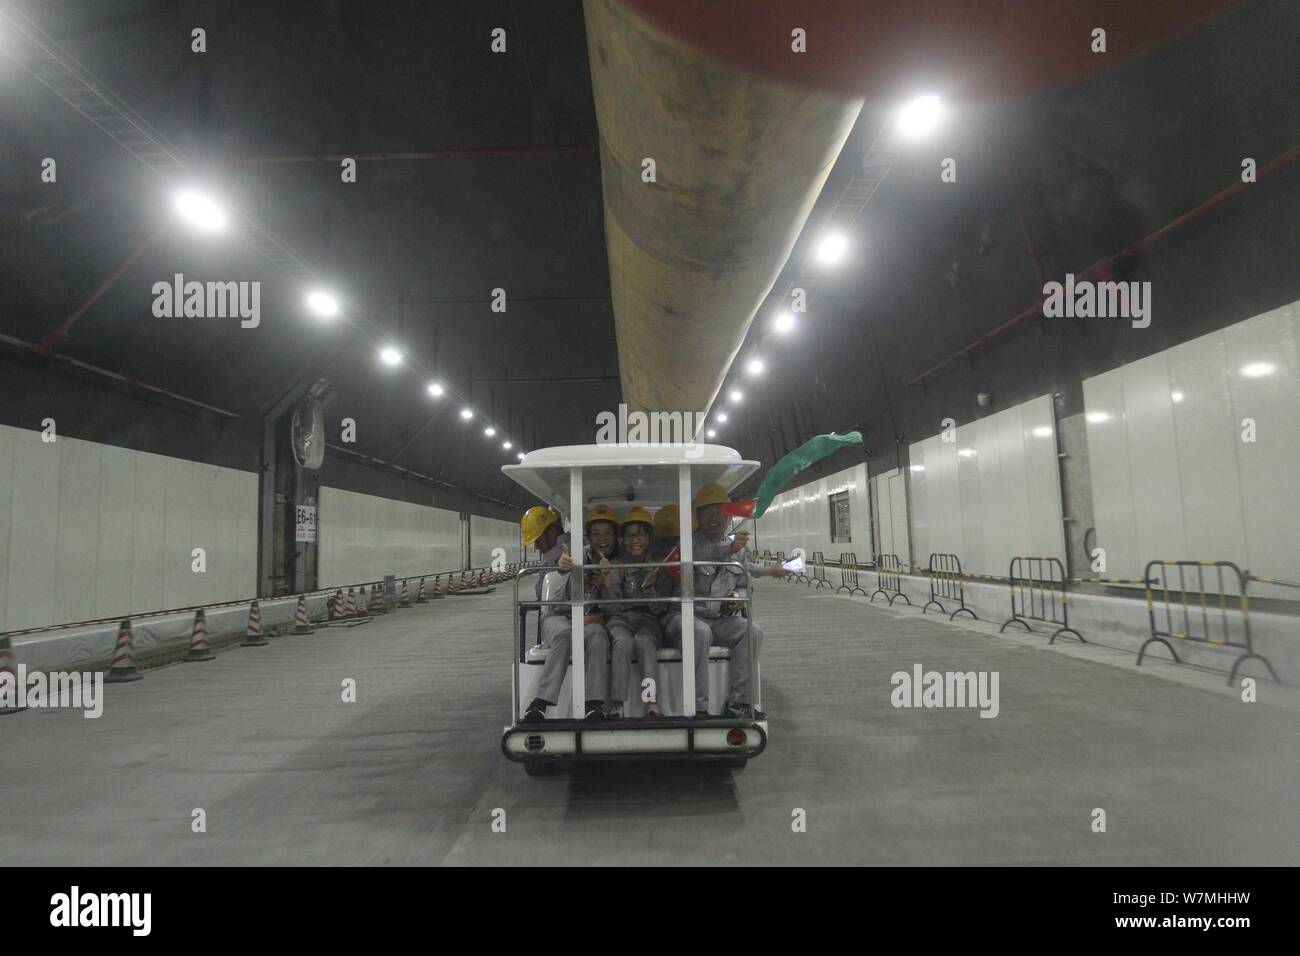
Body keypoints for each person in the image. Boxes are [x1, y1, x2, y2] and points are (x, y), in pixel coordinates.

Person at [682, 483, 788, 718]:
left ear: (729, 516)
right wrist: (729, 547)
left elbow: (744, 576)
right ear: (697, 516)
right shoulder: (689, 545)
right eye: (707, 511)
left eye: (720, 511)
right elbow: (705, 556)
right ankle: (698, 706)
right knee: (699, 633)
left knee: (751, 631)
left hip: (720, 620)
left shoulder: (739, 550)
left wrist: (739, 596)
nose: (714, 516)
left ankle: (738, 702)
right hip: (690, 617)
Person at [518, 505, 610, 722]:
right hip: (560, 616)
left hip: (578, 613)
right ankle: (542, 702)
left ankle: (593, 703)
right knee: (565, 633)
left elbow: (542, 596)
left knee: (596, 633)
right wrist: (560, 570)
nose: (538, 547)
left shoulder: (576, 552)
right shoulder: (566, 554)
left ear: (552, 531)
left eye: (538, 540)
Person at [600, 507, 670, 718]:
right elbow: (610, 608)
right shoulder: (615, 566)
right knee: (623, 642)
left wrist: (649, 586)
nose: (635, 540)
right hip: (619, 620)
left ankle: (651, 701)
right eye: (629, 536)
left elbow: (661, 609)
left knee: (644, 642)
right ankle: (617, 703)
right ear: (622, 540)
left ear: (648, 538)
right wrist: (606, 583)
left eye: (640, 535)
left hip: (649, 621)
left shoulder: (659, 567)